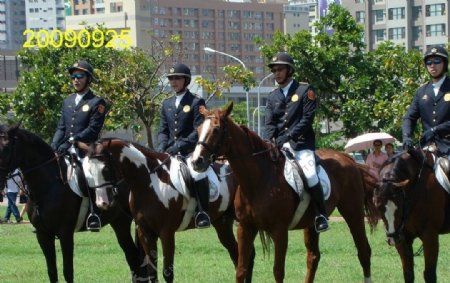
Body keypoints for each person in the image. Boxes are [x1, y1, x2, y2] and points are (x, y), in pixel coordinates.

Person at [263, 52, 329, 233]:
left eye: (280, 69)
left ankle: (321, 215)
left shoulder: (304, 90)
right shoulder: (272, 96)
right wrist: (268, 142)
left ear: (289, 70)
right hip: (278, 147)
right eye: (274, 70)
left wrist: (289, 136)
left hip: (301, 146)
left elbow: (307, 119)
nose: (276, 73)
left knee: (309, 175)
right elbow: (269, 123)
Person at [50, 60, 107, 232]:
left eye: (80, 76)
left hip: (85, 148)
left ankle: (94, 213)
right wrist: (53, 147)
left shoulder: (97, 102)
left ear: (88, 79)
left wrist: (73, 139)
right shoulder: (67, 101)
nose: (76, 80)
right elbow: (61, 127)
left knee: (89, 174)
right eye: (73, 76)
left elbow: (93, 129)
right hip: (65, 148)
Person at [157, 63, 210, 228]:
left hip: (189, 151)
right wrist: (162, 147)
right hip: (168, 151)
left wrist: (179, 146)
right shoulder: (166, 103)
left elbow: (198, 130)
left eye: (177, 78)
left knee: (196, 174)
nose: (174, 82)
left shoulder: (196, 101)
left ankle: (202, 212)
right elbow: (163, 130)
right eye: (171, 79)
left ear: (186, 80)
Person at [403, 45, 450, 156]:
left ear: (444, 64)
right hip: (427, 145)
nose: (433, 65)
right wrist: (406, 137)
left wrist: (435, 130)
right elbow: (409, 117)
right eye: (429, 63)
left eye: (437, 61)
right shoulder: (421, 91)